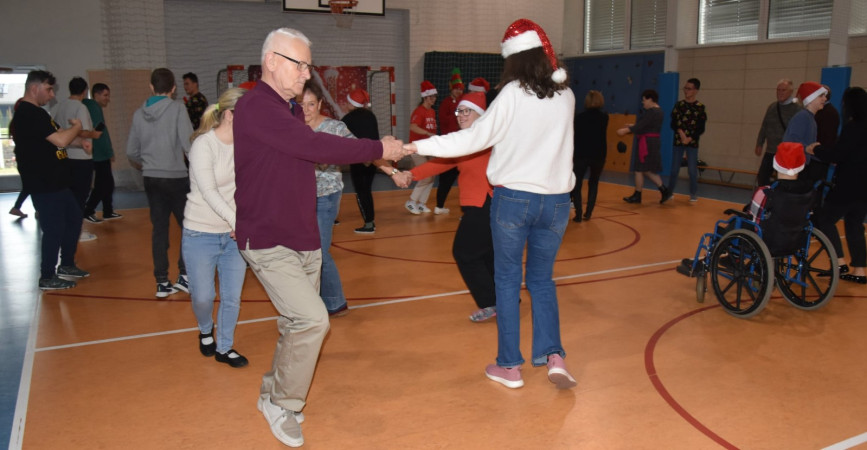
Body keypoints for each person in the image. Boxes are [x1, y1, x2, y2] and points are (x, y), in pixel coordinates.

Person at [232, 27, 411, 448]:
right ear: (273, 61)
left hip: (303, 236)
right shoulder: (258, 107)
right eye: (300, 65)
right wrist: (377, 148)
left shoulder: (290, 108)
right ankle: (284, 405)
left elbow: (305, 153)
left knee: (295, 324)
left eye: (308, 66)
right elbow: (315, 147)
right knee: (313, 320)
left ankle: (270, 391)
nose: (306, 74)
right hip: (268, 238)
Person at [405, 19, 578, 391]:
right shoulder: (567, 95)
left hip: (515, 200)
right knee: (542, 281)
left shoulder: (514, 93)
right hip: (557, 203)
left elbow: (473, 139)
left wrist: (416, 146)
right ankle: (554, 356)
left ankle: (510, 366)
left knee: (506, 278)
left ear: (513, 59)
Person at [394, 92, 496, 322]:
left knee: (465, 253)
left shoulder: (485, 139)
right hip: (478, 205)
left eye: (466, 111)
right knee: (486, 256)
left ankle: (492, 302)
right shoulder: (466, 140)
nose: (460, 115)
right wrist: (411, 173)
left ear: (480, 114)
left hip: (486, 203)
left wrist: (410, 150)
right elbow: (441, 163)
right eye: (459, 111)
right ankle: (504, 301)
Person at [181, 87, 250, 368]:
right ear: (231, 115)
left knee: (232, 297)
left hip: (234, 237)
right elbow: (209, 192)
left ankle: (225, 347)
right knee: (203, 296)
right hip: (200, 232)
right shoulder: (203, 145)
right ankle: (205, 328)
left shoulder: (248, 144)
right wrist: (237, 221)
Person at [11, 70, 89, 290]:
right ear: (34, 88)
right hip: (44, 183)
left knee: (74, 220)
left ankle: (66, 265)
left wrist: (78, 143)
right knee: (54, 229)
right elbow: (61, 140)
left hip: (57, 182)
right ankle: (47, 276)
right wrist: (77, 128)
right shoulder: (28, 113)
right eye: (48, 89)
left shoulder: (40, 114)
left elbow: (54, 141)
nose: (51, 94)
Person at [126, 68, 194, 298]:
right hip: (176, 178)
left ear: (151, 87)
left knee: (160, 230)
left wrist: (147, 164)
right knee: (188, 228)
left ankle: (161, 282)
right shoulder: (177, 108)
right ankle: (184, 276)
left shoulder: (138, 114)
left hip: (151, 179)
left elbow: (131, 151)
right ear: (173, 88)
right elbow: (188, 144)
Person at [301, 79, 353, 316]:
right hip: (297, 198)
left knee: (319, 251)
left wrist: (330, 158)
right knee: (302, 252)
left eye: (311, 104)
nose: (306, 110)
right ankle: (312, 299)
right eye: (302, 105)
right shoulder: (292, 128)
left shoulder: (334, 128)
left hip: (326, 197)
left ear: (320, 103)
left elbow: (356, 149)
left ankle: (335, 302)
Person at [808, 86, 867, 285]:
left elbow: (838, 154)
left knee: (823, 219)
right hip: (863, 188)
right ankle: (859, 270)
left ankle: (838, 262)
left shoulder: (853, 127)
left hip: (847, 186)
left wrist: (816, 150)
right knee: (855, 225)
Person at [53, 77, 101, 241]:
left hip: (64, 157)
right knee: (80, 197)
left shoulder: (60, 105)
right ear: (84, 91)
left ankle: (68, 229)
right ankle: (77, 231)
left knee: (69, 195)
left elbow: (56, 129)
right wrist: (93, 134)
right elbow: (82, 131)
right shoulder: (80, 107)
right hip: (81, 158)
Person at [617, 90, 673, 204]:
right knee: (646, 170)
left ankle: (638, 195)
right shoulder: (659, 111)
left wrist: (625, 130)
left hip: (647, 143)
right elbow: (647, 126)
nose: (643, 103)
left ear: (650, 99)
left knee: (639, 169)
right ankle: (664, 190)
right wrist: (634, 126)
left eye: (644, 100)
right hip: (652, 142)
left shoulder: (652, 112)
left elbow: (642, 126)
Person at [342, 88, 380, 234]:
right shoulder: (371, 116)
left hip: (359, 160)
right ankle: (370, 221)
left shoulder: (348, 119)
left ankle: (369, 224)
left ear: (352, 103)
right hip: (373, 160)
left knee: (361, 192)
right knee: (367, 190)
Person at [83, 83, 122, 222]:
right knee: (102, 184)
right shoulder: (93, 107)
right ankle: (88, 210)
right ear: (96, 95)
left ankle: (108, 211)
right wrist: (108, 151)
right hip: (99, 153)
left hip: (99, 153)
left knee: (108, 183)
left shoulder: (92, 107)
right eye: (105, 95)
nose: (107, 98)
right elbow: (99, 134)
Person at [754, 79, 802, 186]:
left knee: (784, 181)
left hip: (786, 152)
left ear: (790, 92)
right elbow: (764, 126)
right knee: (762, 177)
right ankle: (765, 198)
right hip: (770, 151)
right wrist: (759, 143)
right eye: (778, 90)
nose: (780, 92)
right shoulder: (772, 107)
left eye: (783, 90)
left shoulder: (797, 110)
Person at [572, 90, 608, 222]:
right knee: (594, 183)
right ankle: (589, 212)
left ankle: (579, 213)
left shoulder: (579, 117)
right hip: (599, 154)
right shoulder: (604, 117)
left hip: (581, 153)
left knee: (577, 183)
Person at [669, 77, 707, 202]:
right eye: (685, 88)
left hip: (692, 143)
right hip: (678, 141)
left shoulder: (700, 107)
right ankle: (669, 192)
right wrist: (681, 133)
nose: (686, 91)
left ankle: (693, 193)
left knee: (692, 170)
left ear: (696, 90)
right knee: (674, 169)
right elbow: (673, 123)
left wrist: (689, 138)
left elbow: (701, 128)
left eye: (689, 89)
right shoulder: (679, 105)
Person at [433, 68, 464, 215]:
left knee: (465, 179)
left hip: (461, 147)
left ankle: (466, 209)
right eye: (456, 89)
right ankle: (439, 205)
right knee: (445, 179)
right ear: (451, 88)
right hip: (449, 145)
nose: (458, 91)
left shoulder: (462, 103)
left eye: (460, 89)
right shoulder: (446, 103)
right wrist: (455, 111)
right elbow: (445, 120)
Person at [782, 81, 827, 184]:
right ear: (811, 99)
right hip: (793, 169)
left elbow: (810, 149)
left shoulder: (810, 119)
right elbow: (790, 141)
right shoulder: (803, 117)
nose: (825, 99)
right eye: (821, 96)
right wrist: (807, 148)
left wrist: (827, 157)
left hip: (800, 167)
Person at [405, 81, 438, 215]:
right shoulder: (419, 111)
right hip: (417, 148)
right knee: (425, 176)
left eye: (435, 97)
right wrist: (426, 133)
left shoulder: (432, 111)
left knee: (432, 176)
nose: (434, 99)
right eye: (432, 97)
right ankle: (411, 201)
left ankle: (421, 203)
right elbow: (412, 126)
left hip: (429, 148)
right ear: (425, 97)